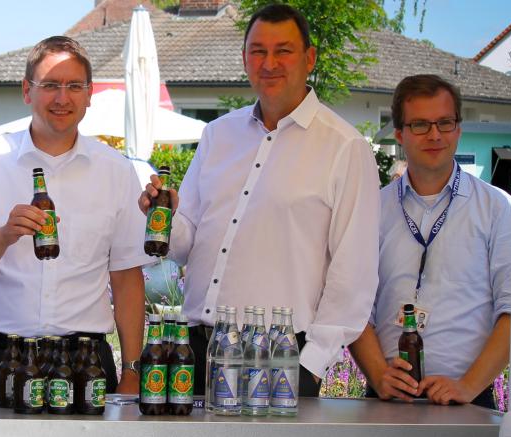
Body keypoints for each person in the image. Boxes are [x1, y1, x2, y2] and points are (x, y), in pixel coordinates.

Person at [139, 4, 380, 398]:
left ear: (309, 58)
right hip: (196, 347)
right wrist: (162, 215)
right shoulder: (218, 135)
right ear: (244, 58)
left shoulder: (345, 147)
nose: (269, 63)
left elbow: (353, 275)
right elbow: (184, 247)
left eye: (283, 50)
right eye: (258, 51)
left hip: (277, 357)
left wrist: (310, 366)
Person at [0, 36, 149, 394]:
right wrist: (3, 235)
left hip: (86, 364)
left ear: (89, 94)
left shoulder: (116, 170)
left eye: (73, 86)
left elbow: (127, 277)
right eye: (50, 85)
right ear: (27, 91)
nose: (62, 98)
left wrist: (131, 370)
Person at [349, 74, 511, 409]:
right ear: (400, 133)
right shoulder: (370, 209)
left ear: (458, 129)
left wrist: (467, 386)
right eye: (420, 124)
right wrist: (378, 375)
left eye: (445, 123)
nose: (435, 134)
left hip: (468, 402)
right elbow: (353, 305)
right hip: (387, 399)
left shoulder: (499, 209)